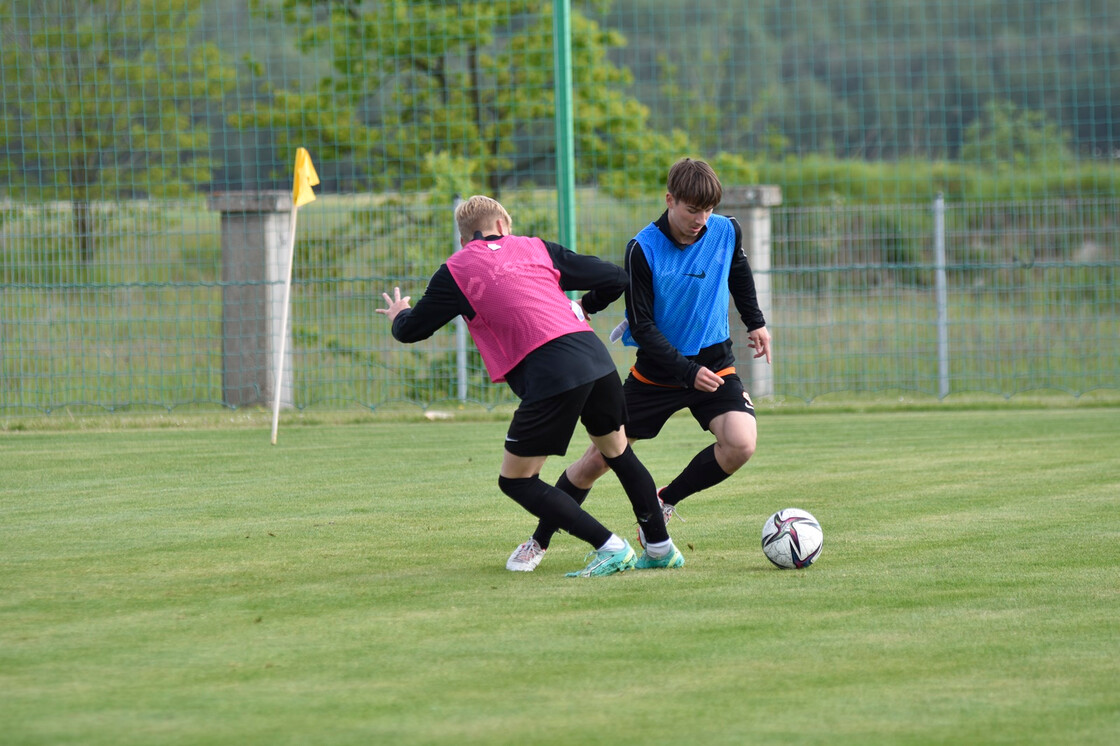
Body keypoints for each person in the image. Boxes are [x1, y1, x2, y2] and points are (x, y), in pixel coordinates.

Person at [378, 195, 684, 577]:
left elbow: (410, 331)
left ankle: (611, 546)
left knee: (517, 481)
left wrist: (398, 314)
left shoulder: (456, 270)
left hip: (551, 371)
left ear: (463, 240)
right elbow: (616, 278)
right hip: (594, 357)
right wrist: (585, 307)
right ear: (504, 226)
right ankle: (659, 548)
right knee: (618, 452)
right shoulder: (534, 247)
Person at [505, 157, 771, 571]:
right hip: (658, 374)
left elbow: (738, 270)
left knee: (741, 443)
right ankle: (538, 541)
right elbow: (643, 328)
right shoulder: (643, 248)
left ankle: (664, 501)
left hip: (715, 362)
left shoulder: (726, 230)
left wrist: (756, 322)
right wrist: (684, 371)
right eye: (691, 209)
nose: (700, 219)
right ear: (670, 200)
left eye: (707, 210)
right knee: (597, 459)